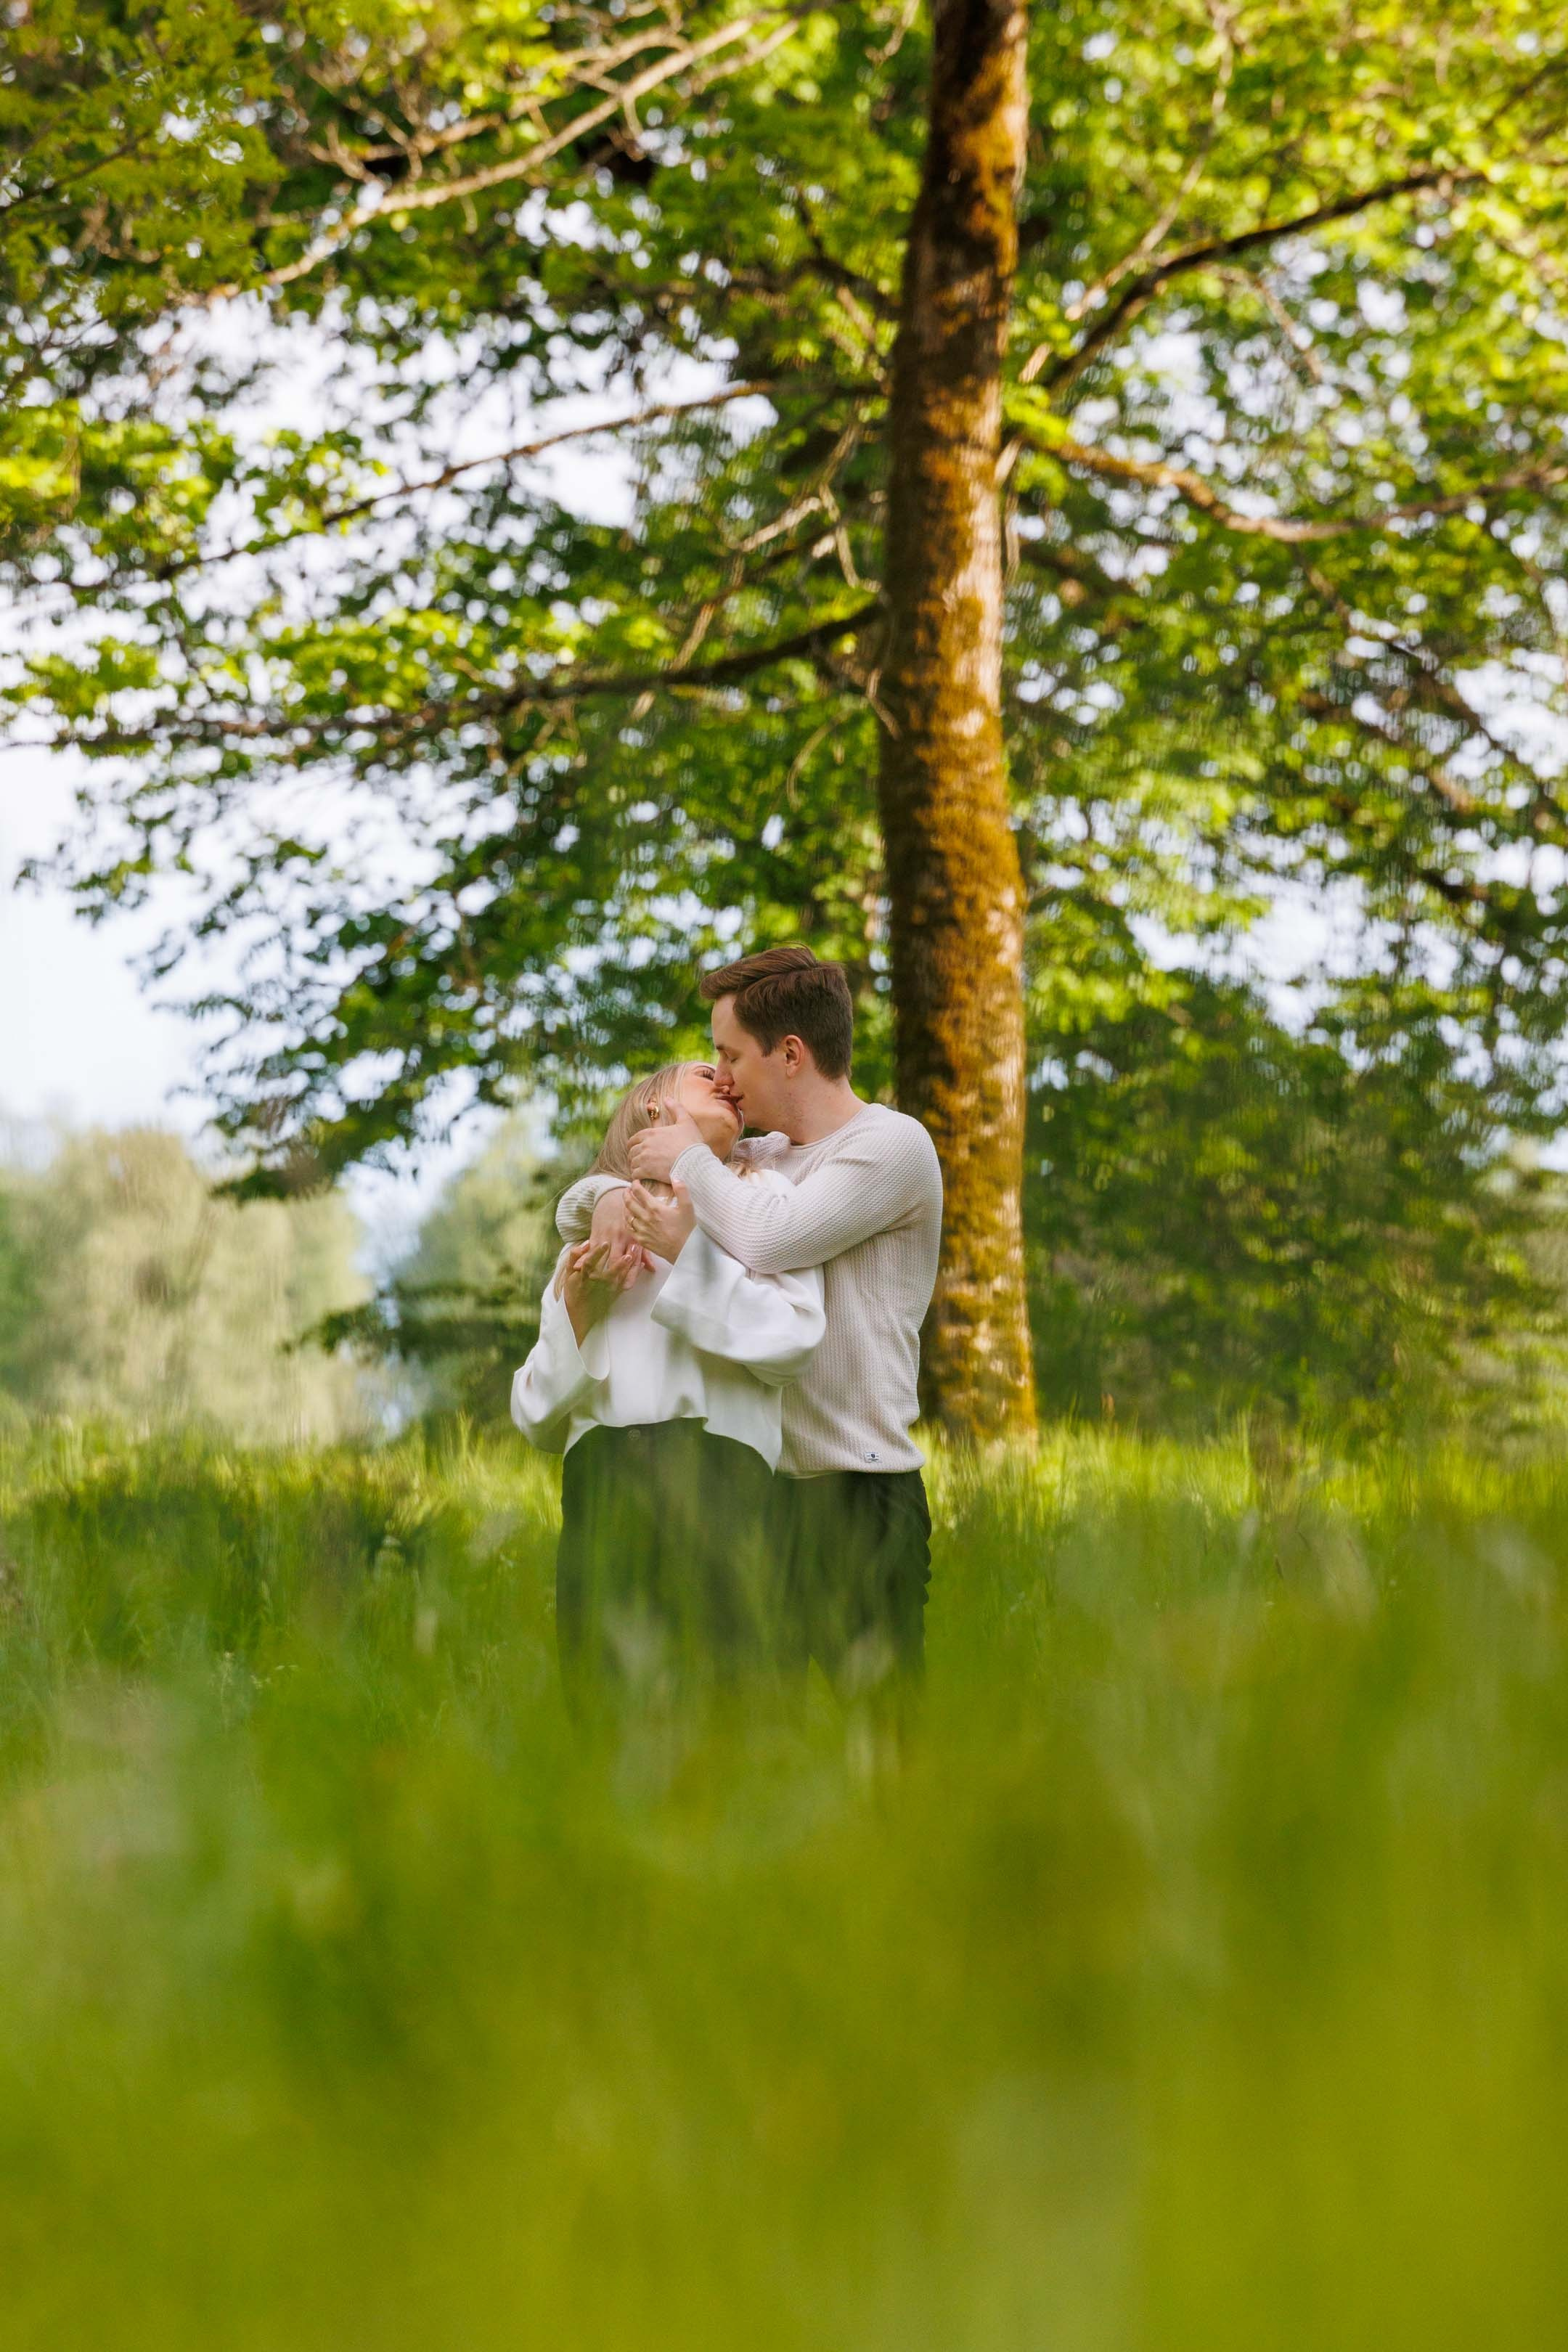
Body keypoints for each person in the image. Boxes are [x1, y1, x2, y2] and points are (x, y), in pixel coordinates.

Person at [556, 947, 943, 1706]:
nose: (722, 1077)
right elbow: (610, 1175)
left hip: (859, 1488)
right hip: (757, 1493)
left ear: (791, 1054)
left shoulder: (889, 1146)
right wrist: (601, 1201)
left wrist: (692, 1167)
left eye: (730, 1054)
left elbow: (771, 1235)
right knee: (762, 1745)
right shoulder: (760, 1154)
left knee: (880, 1738)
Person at [512, 1058, 824, 1715]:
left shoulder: (766, 1202)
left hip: (726, 1485)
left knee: (725, 1711)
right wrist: (580, 1309)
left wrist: (689, 1251)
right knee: (607, 1718)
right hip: (601, 1491)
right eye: (706, 1072)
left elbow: (793, 1344)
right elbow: (535, 1418)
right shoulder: (590, 1239)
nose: (729, 1082)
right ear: (653, 1107)